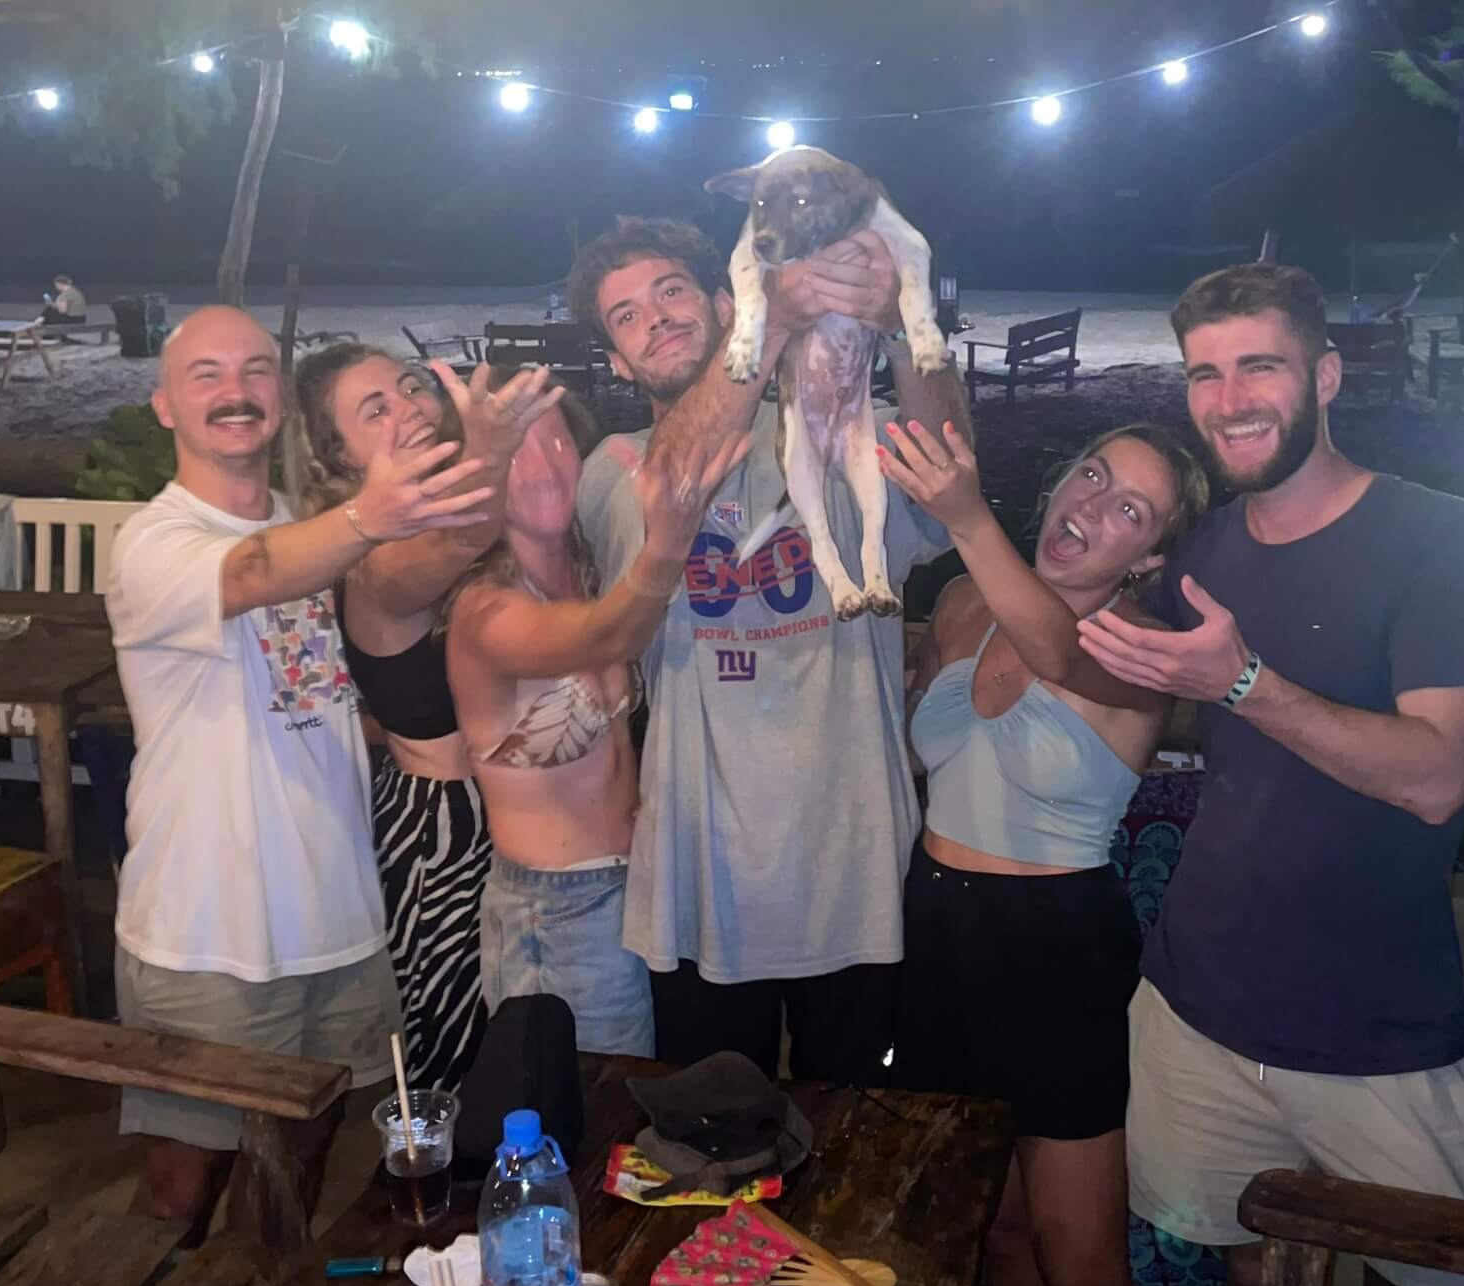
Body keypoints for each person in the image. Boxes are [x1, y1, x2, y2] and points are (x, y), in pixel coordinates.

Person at [1077, 263, 1464, 1286]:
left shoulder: (1435, 540)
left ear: (1323, 377)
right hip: (1198, 1009)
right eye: (1204, 374)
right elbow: (1175, 707)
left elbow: (1436, 774)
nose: (1228, 400)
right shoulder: (1205, 552)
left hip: (1377, 1034)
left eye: (1258, 366)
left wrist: (1239, 682)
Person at [106, 306, 495, 1236]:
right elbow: (248, 576)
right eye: (205, 375)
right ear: (165, 405)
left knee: (296, 1175)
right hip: (206, 935)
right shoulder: (153, 543)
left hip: (340, 921)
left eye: (253, 370)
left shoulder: (319, 532)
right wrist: (372, 514)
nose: (234, 391)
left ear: (280, 398)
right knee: (180, 1187)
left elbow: (322, 691)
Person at [882, 418, 1205, 1286]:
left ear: (1148, 559)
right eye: (1091, 474)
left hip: (1055, 953)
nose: (1092, 507)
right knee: (999, 1231)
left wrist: (965, 513)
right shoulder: (962, 603)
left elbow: (1059, 658)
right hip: (937, 938)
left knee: (1085, 1274)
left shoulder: (1137, 652)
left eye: (1132, 511)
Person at [564, 215, 970, 1084]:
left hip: (856, 868)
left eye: (671, 292)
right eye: (626, 316)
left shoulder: (838, 426)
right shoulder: (614, 466)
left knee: (862, 1150)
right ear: (618, 364)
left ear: (721, 301)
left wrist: (902, 322)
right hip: (697, 883)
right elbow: (676, 479)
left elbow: (948, 467)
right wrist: (774, 323)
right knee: (710, 1153)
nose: (657, 318)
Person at [291, 344, 565, 1091]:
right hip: (447, 835)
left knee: (537, 1050)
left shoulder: (480, 534)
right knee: (458, 1062)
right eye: (375, 410)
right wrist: (491, 448)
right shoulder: (375, 562)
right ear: (337, 456)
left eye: (411, 388)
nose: (409, 407)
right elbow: (460, 536)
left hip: (536, 819)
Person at [446, 385, 749, 1055]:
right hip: (553, 915)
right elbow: (605, 640)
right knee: (579, 1124)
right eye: (518, 448)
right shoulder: (483, 609)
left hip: (638, 890)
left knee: (638, 1115)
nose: (546, 463)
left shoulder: (586, 568)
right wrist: (668, 544)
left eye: (557, 439)